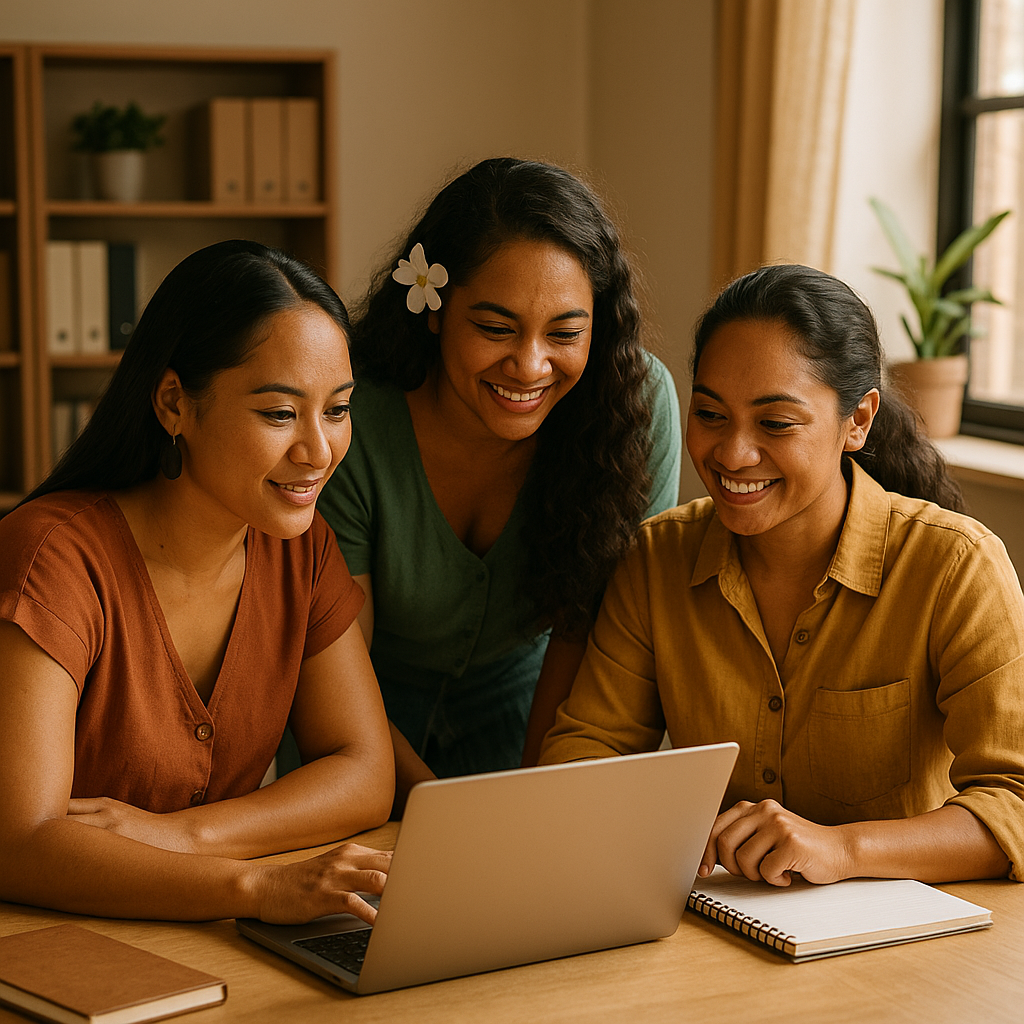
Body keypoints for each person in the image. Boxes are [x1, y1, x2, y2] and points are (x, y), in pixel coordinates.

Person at [540, 263, 1024, 886]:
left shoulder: (955, 567)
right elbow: (584, 755)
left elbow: (1014, 802)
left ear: (859, 420)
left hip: (909, 948)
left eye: (775, 423)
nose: (733, 454)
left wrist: (842, 850)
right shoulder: (657, 559)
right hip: (720, 925)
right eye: (711, 414)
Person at [0, 240, 394, 923]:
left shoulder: (301, 550)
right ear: (175, 402)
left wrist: (188, 836)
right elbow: (20, 843)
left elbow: (363, 772)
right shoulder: (51, 557)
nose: (319, 450)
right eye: (278, 413)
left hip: (199, 941)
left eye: (336, 409)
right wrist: (254, 888)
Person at [315, 158, 681, 796]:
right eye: (495, 328)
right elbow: (341, 668)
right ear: (432, 309)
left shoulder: (635, 406)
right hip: (351, 735)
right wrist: (444, 821)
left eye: (565, 333)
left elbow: (594, 636)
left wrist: (528, 807)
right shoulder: (351, 414)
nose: (530, 366)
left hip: (535, 726)